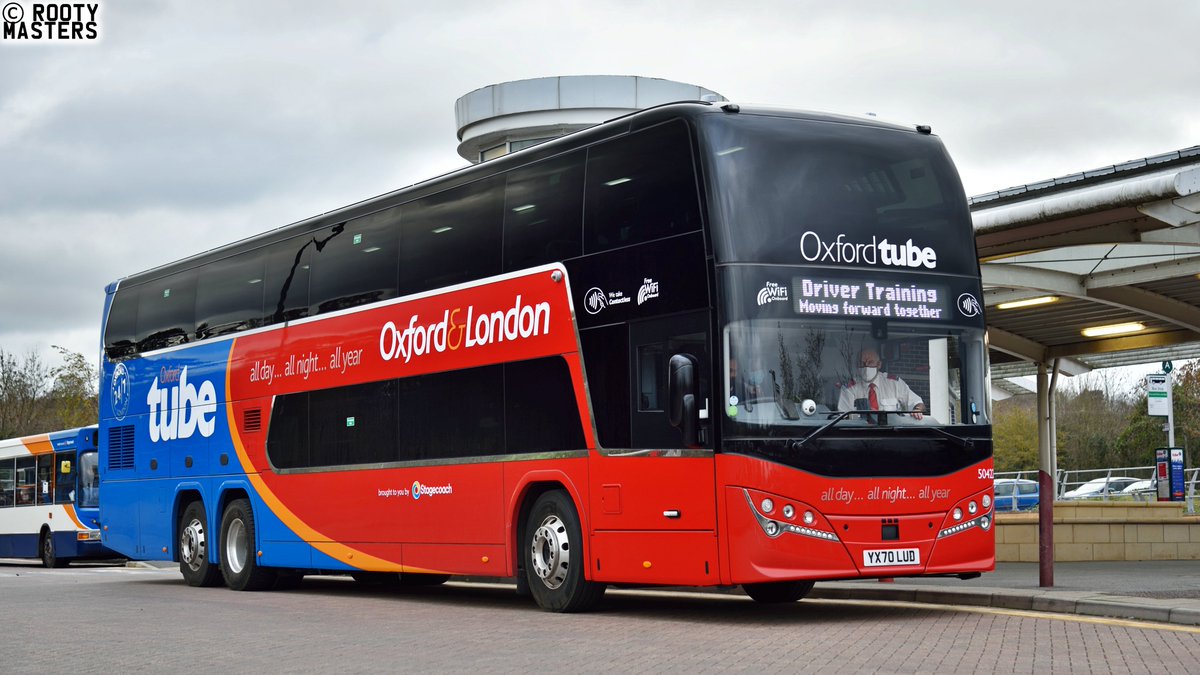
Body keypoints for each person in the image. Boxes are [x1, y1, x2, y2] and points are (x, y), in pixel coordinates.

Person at [838, 348, 924, 420]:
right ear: (857, 365)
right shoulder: (849, 389)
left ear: (879, 365)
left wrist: (917, 410)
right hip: (860, 436)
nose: (866, 366)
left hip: (892, 435)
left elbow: (917, 402)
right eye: (862, 363)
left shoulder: (894, 383)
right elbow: (844, 419)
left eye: (870, 362)